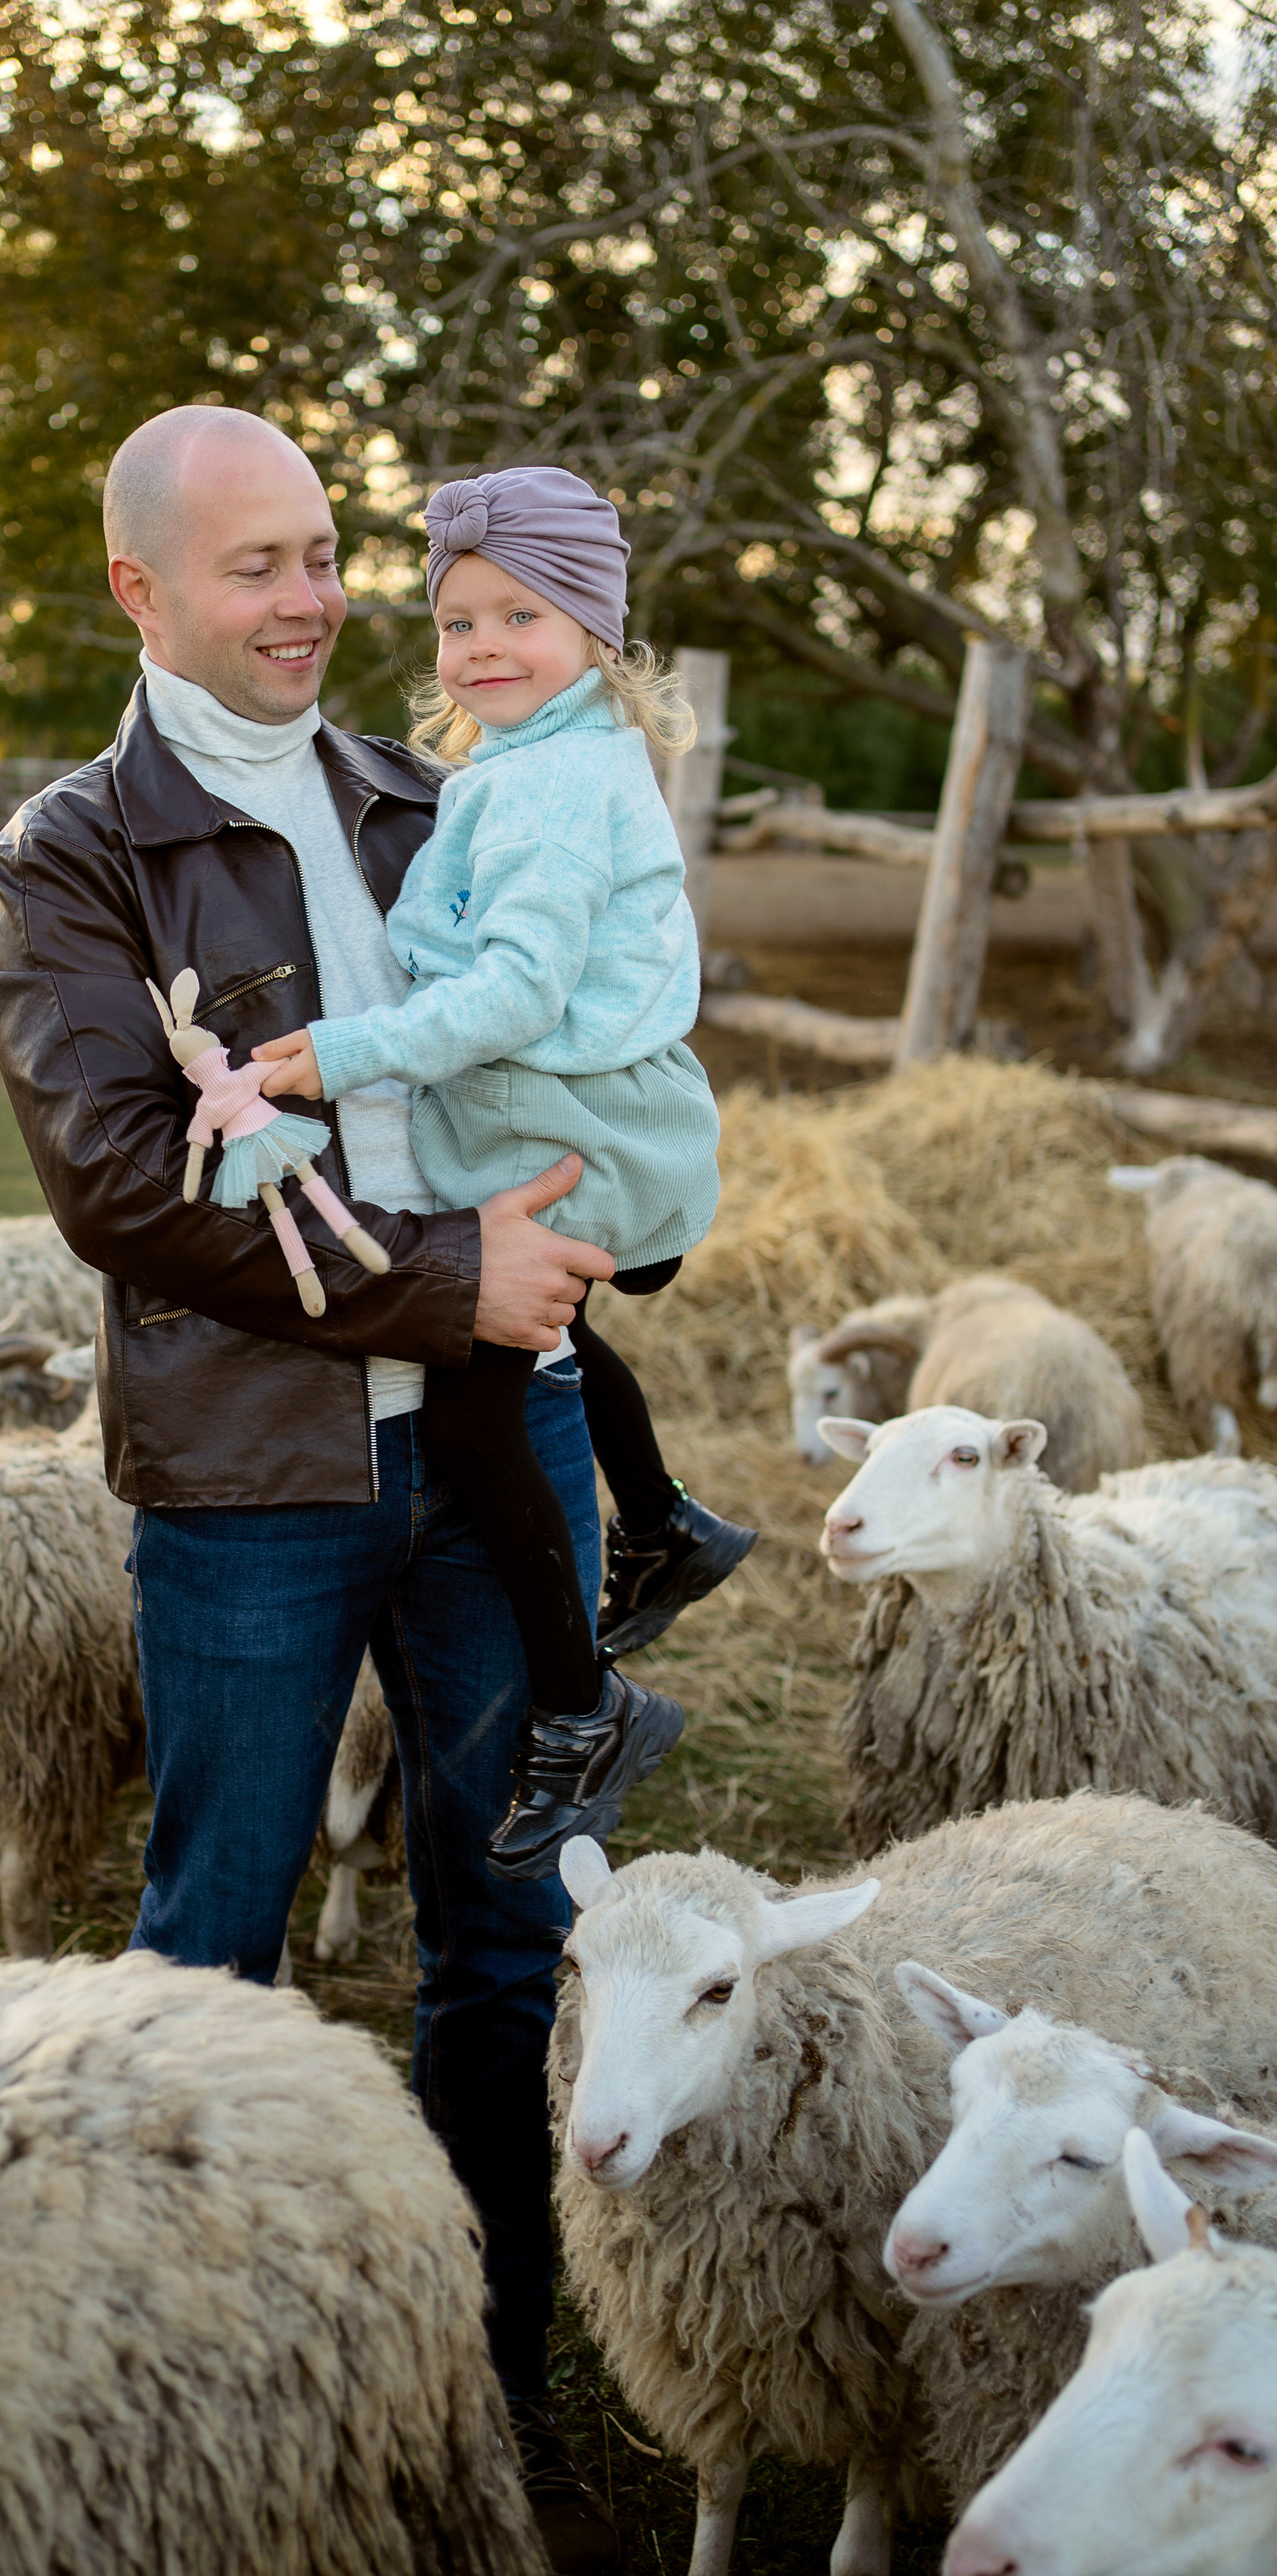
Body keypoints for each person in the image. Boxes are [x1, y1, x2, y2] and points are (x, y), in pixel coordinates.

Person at [0, 404, 623, 2576]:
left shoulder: (433, 791)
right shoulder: (75, 858)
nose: (313, 597)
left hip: (510, 1443)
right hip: (252, 1481)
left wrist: (609, 1208)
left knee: (507, 1936)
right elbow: (123, 1185)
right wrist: (450, 1279)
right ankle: (204, 2420)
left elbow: (562, 1043)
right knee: (215, 1948)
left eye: (327, 551)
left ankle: (483, 2396)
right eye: (256, 563)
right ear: (141, 590)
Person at [255, 465, 755, 1877]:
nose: (481, 647)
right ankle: (663, 1522)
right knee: (551, 1329)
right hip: (579, 1115)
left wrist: (341, 1053)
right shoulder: (542, 760)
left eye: (520, 616)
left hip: (567, 1123)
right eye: (458, 621)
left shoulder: (550, 790)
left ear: (595, 628)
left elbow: (522, 990)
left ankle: (586, 1708)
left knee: (477, 1412)